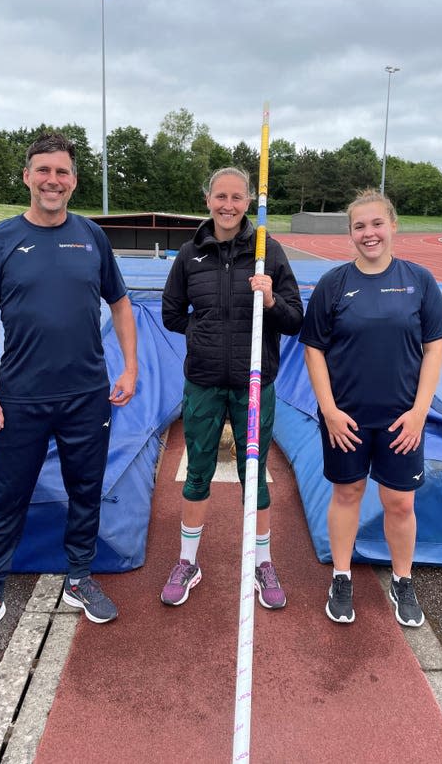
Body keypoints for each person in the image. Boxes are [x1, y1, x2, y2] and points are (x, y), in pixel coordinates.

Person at [0, 132, 137, 653]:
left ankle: (78, 576)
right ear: (27, 177)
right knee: (6, 498)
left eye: (62, 172)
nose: (52, 180)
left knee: (86, 491)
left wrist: (131, 368)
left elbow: (120, 303)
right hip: (20, 398)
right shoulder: (1, 240)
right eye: (43, 171)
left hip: (87, 395)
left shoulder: (92, 237)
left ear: (74, 181)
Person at [300, 188, 442, 627]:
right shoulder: (334, 284)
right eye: (359, 226)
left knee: (400, 503)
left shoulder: (419, 280)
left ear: (393, 226)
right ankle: (342, 576)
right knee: (346, 494)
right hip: (346, 419)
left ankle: (402, 580)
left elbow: (434, 349)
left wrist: (420, 411)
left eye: (376, 224)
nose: (369, 234)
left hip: (402, 419)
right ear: (350, 233)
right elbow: (313, 350)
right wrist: (327, 409)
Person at [160, 167, 304, 609]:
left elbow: (295, 318)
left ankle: (262, 562)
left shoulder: (269, 252)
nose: (228, 205)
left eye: (237, 197)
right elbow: (171, 314)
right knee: (198, 473)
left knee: (253, 475)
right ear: (207, 199)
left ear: (249, 202)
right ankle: (188, 562)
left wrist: (271, 300)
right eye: (220, 196)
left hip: (254, 385)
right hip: (203, 383)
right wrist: (204, 337)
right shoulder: (190, 254)